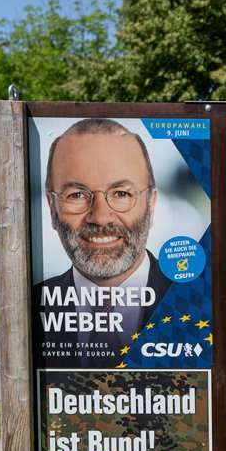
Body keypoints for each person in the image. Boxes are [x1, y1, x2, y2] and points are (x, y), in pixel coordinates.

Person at [35, 118, 171, 367]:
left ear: (150, 205)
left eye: (121, 193)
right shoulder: (29, 308)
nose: (99, 217)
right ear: (52, 209)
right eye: (76, 194)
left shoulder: (198, 301)